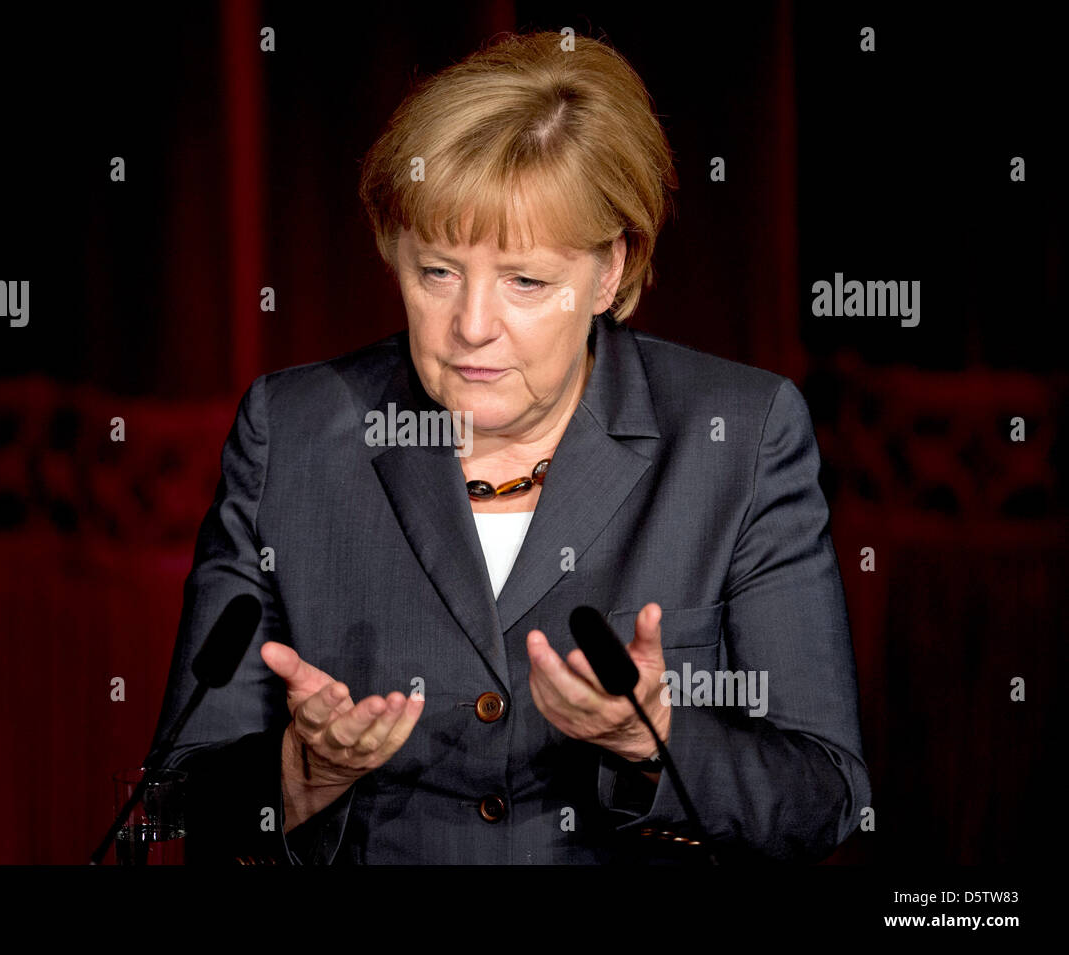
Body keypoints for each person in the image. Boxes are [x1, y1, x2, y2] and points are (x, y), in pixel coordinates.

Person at [150, 30, 870, 864]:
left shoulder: (739, 438)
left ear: (610, 271)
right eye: (438, 273)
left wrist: (653, 740)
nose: (473, 326)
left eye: (525, 281)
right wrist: (302, 769)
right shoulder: (297, 430)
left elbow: (826, 794)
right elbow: (182, 789)